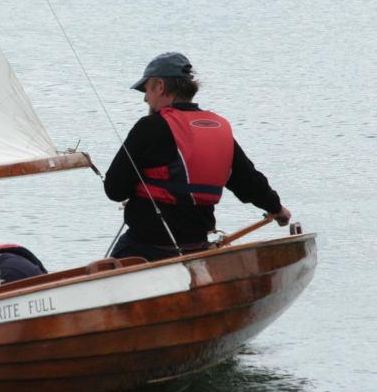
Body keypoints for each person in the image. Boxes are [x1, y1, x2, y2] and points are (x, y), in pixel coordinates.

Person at [104, 52, 291, 262]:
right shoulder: (218, 129)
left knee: (103, 271)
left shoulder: (149, 127)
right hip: (196, 247)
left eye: (147, 89)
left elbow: (114, 189)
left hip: (146, 249)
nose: (145, 98)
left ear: (160, 86)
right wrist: (276, 208)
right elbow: (249, 182)